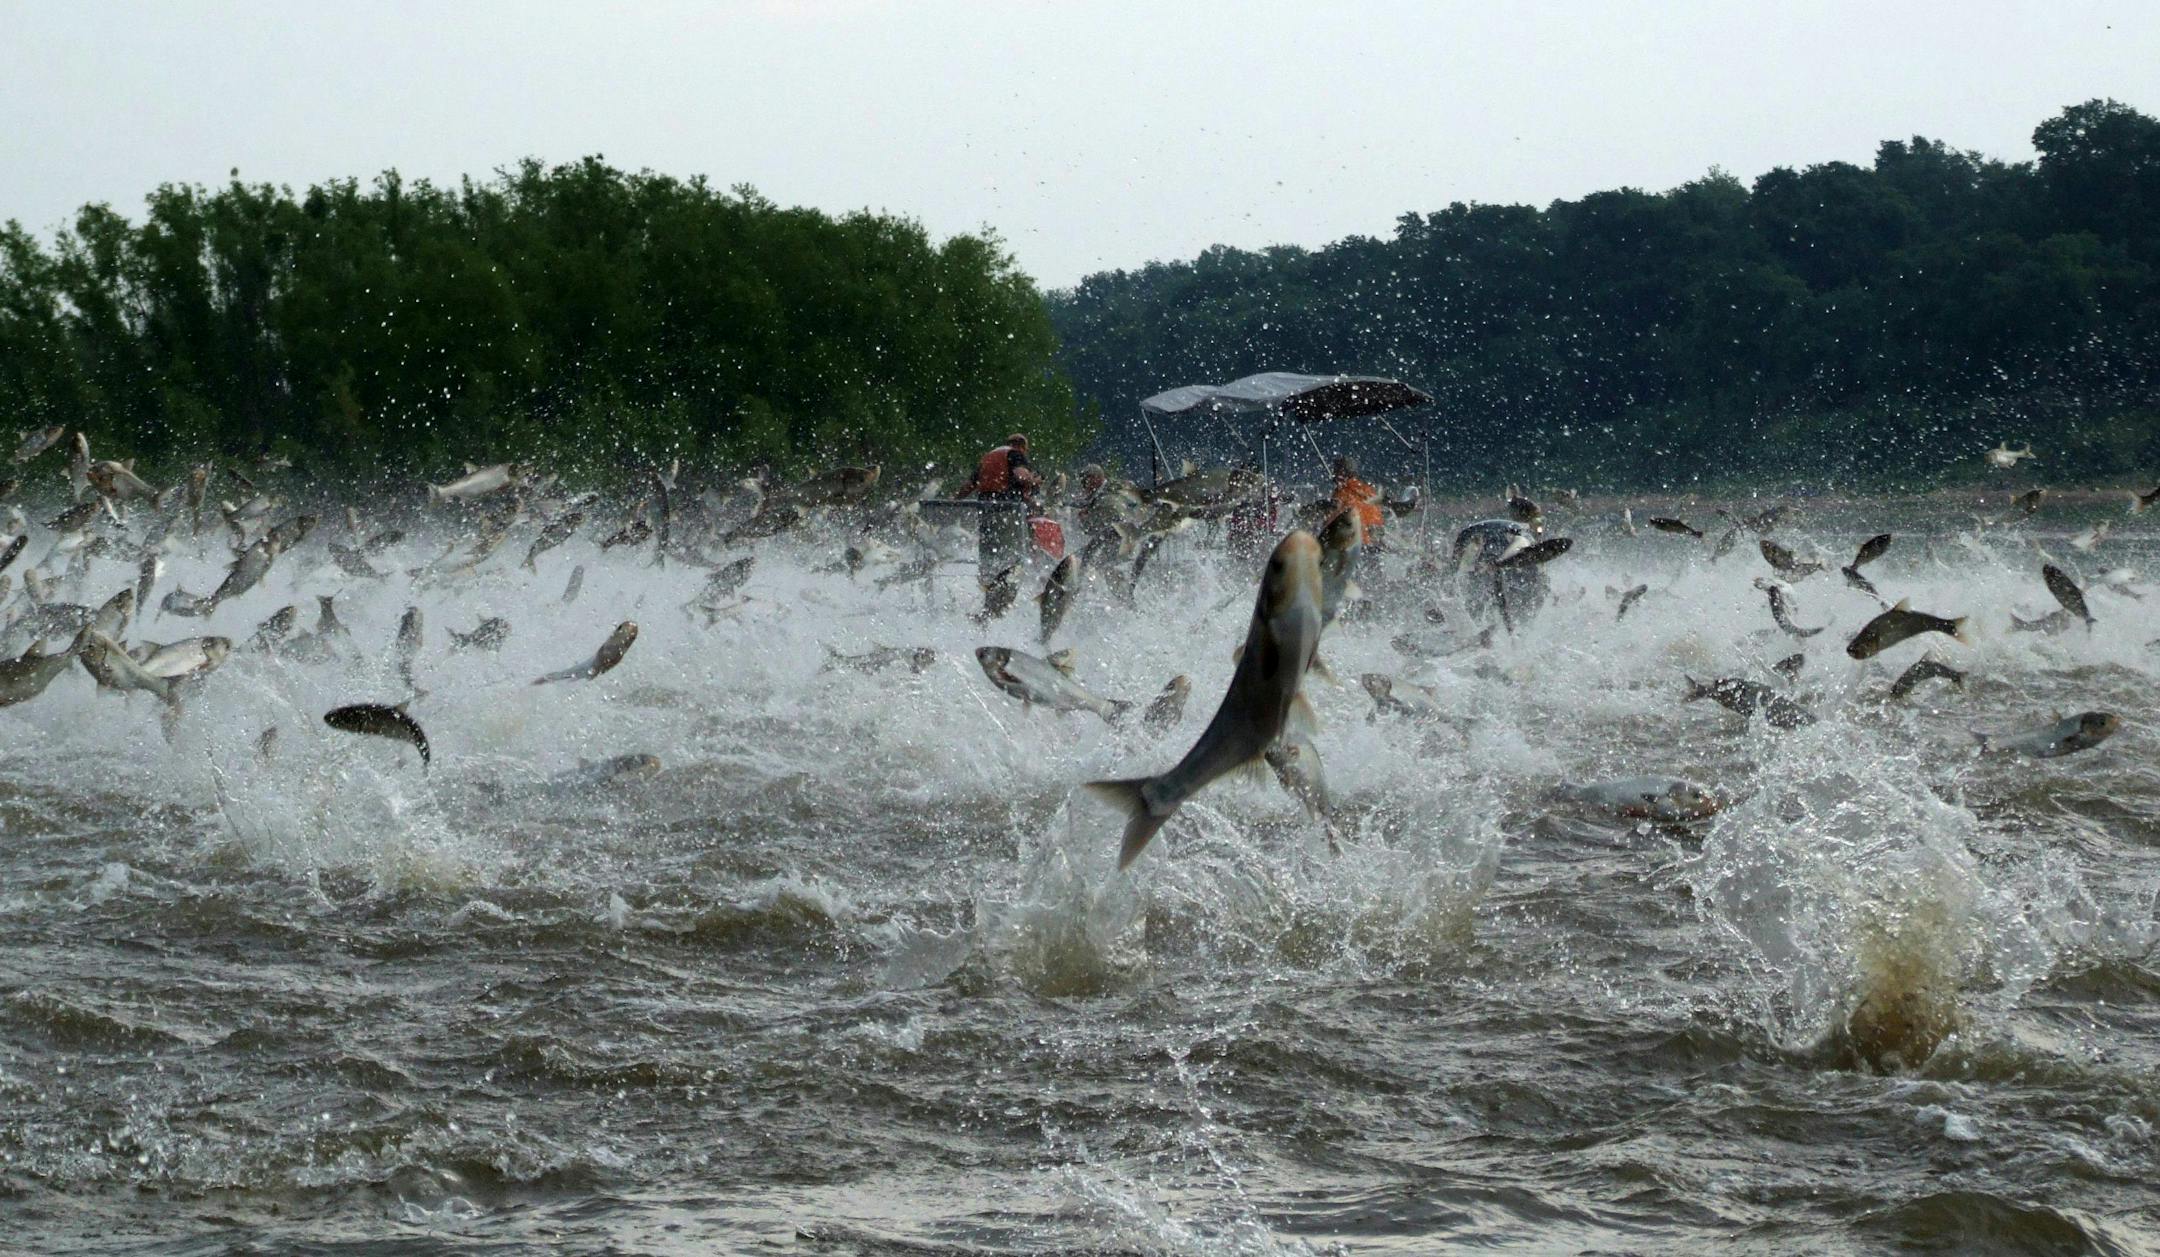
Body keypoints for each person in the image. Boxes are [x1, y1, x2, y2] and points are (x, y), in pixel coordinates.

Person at [958, 433, 1042, 503]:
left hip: (985, 503)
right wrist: (1035, 480)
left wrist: (954, 500)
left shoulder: (988, 457)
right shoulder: (1016, 454)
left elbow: (968, 486)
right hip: (1008, 504)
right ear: (1022, 447)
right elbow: (1021, 477)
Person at [1330, 455, 1384, 543]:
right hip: (1375, 541)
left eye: (1336, 469)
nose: (1333, 472)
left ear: (1341, 472)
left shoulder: (1342, 493)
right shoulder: (1367, 489)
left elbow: (1333, 519)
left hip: (1356, 544)